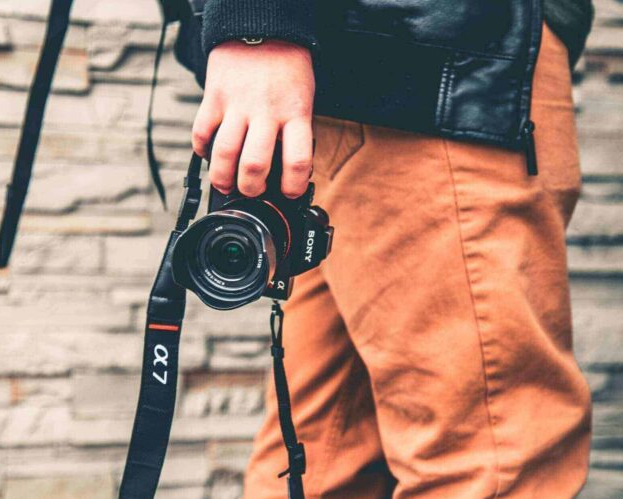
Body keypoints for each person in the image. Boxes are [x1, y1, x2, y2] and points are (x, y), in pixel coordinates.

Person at [176, 0, 595, 496]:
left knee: (320, 461)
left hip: (391, 58)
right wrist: (258, 27)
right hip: (442, 59)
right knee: (487, 465)